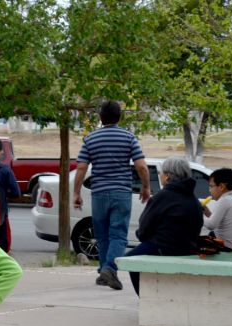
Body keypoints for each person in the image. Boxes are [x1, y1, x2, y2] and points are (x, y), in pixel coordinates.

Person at [73, 100, 150, 290]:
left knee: (102, 235)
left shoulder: (90, 139)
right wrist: (146, 187)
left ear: (100, 117)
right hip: (121, 193)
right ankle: (109, 268)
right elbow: (141, 166)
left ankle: (103, 272)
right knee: (118, 235)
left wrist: (76, 192)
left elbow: (81, 168)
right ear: (120, 117)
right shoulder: (129, 137)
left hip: (99, 193)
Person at [122, 157, 203, 295]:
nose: (160, 175)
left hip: (163, 247)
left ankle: (146, 300)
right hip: (188, 248)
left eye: (161, 172)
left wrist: (141, 236)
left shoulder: (163, 196)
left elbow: (144, 229)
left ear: (168, 176)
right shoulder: (193, 199)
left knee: (131, 259)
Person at [203, 167, 232, 250]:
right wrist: (207, 213)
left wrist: (198, 214)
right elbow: (218, 222)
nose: (209, 190)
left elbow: (211, 225)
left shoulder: (224, 201)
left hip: (225, 246)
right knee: (211, 234)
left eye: (211, 186)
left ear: (221, 187)